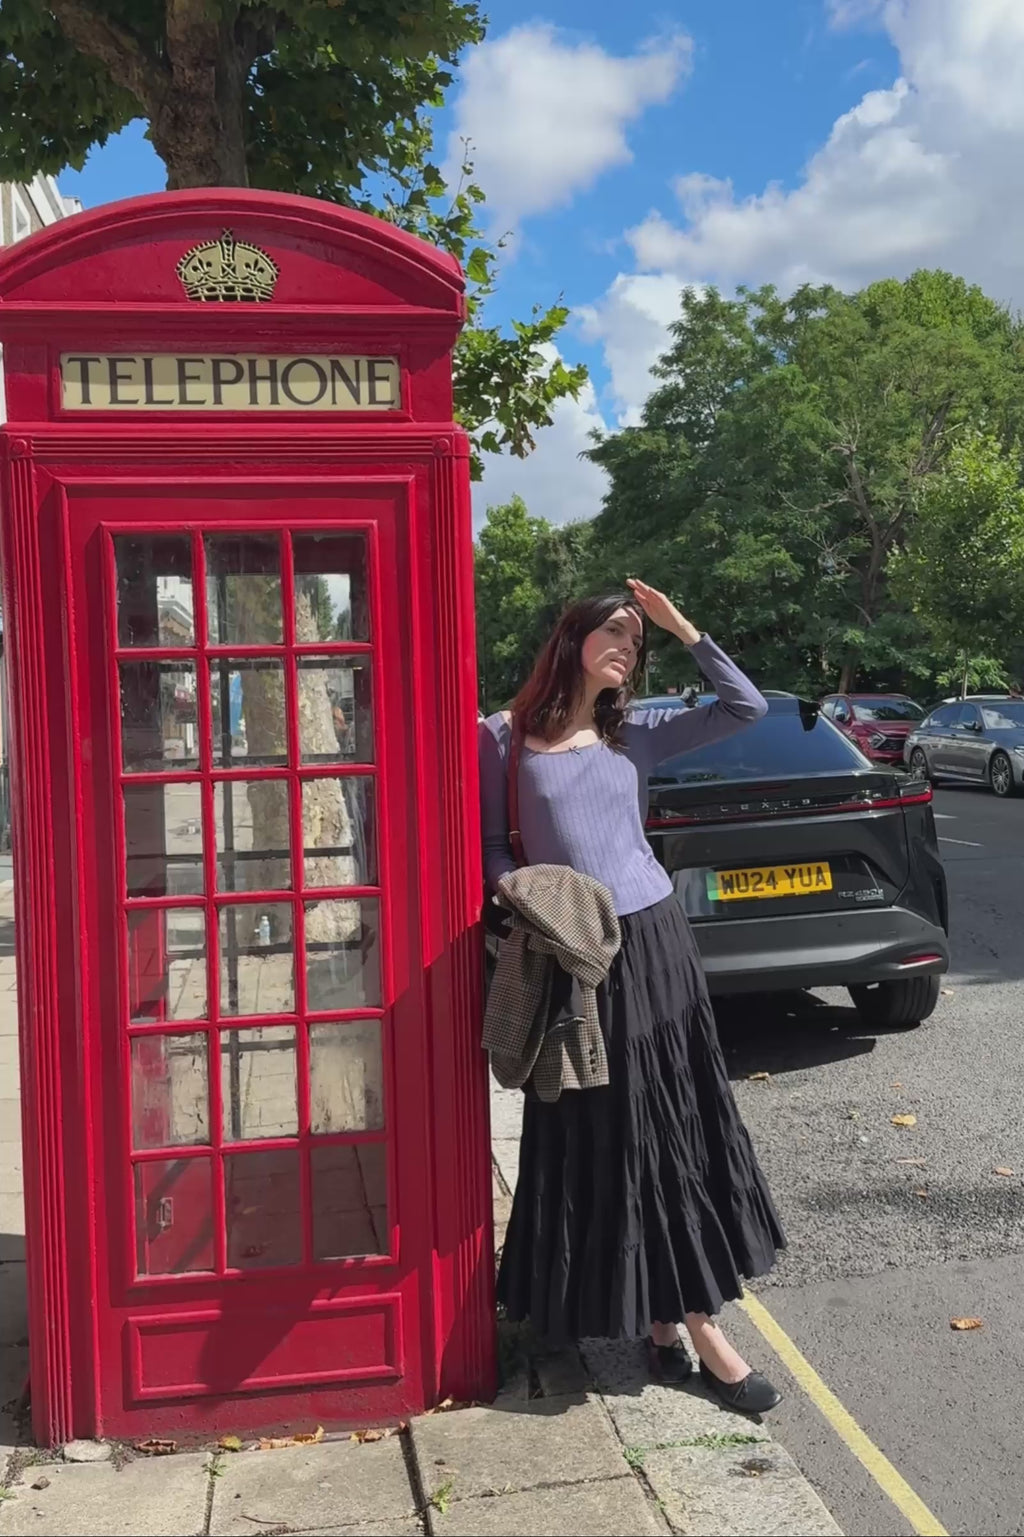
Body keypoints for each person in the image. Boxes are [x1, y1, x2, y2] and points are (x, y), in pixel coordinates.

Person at [479, 581, 785, 1414]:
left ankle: (693, 1326)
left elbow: (745, 704)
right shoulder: (503, 740)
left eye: (635, 640)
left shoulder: (636, 730)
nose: (627, 647)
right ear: (571, 634)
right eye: (614, 632)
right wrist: (535, 896)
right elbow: (489, 854)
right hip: (578, 958)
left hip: (657, 945)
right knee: (610, 1132)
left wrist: (682, 624)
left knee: (670, 1124)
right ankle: (658, 1323)